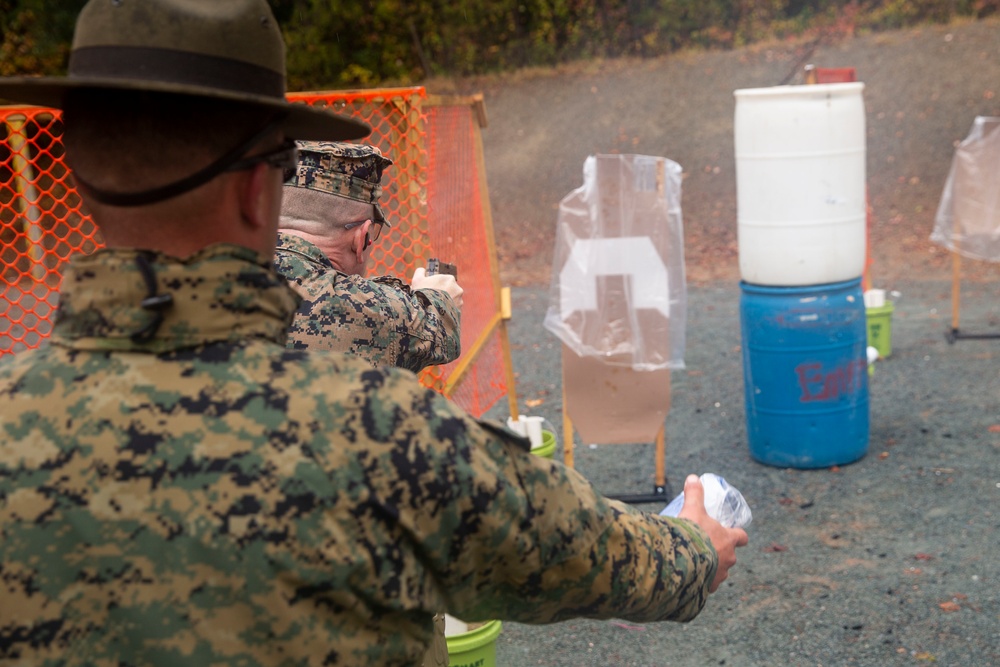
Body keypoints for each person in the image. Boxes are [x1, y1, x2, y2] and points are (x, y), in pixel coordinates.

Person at [0, 1, 748, 665]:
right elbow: (591, 554)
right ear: (259, 190)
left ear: (76, 168)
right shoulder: (383, 434)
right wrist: (693, 545)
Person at [275, 141, 463, 373]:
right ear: (361, 238)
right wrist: (441, 296)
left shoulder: (223, 272)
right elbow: (438, 330)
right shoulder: (374, 313)